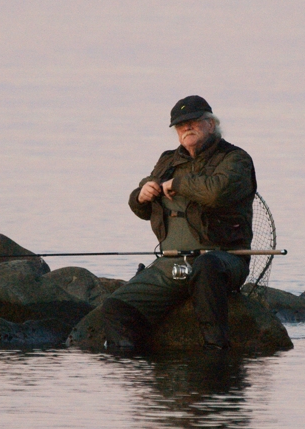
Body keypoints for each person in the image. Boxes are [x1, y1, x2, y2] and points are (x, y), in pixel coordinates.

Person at [102, 95, 257, 350]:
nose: (186, 128)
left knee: (207, 266)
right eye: (180, 125)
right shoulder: (167, 160)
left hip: (225, 259)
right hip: (171, 265)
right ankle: (139, 366)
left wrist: (179, 184)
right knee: (116, 308)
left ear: (211, 123)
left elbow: (217, 191)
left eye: (193, 121)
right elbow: (142, 208)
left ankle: (216, 355)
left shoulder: (236, 158)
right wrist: (142, 195)